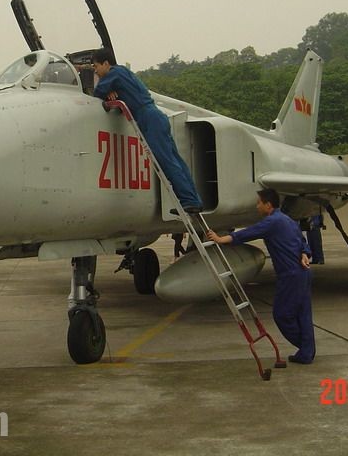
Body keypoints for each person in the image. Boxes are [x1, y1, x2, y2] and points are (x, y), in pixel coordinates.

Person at [206, 188, 316, 364]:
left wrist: (220, 239)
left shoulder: (272, 222)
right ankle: (306, 352)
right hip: (303, 272)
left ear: (268, 205)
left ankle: (305, 347)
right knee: (303, 314)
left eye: (259, 202)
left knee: (282, 315)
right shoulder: (288, 220)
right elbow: (302, 240)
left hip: (290, 276)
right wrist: (305, 254)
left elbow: (246, 234)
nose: (257, 206)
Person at [91, 48, 203, 212]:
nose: (96, 71)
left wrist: (107, 90)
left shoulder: (115, 73)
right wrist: (112, 91)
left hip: (149, 118)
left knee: (166, 161)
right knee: (175, 160)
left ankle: (188, 200)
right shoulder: (122, 73)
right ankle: (193, 199)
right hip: (156, 116)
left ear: (106, 63)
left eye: (96, 67)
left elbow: (97, 91)